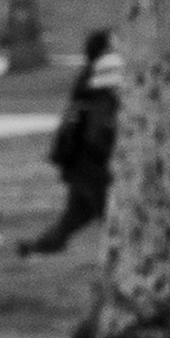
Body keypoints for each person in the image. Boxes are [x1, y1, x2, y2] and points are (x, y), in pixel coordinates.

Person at [30, 26, 120, 252]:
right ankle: (121, 254)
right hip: (91, 164)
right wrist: (107, 157)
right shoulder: (101, 93)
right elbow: (98, 135)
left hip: (77, 160)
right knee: (111, 214)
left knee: (78, 212)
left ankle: (44, 245)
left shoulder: (86, 82)